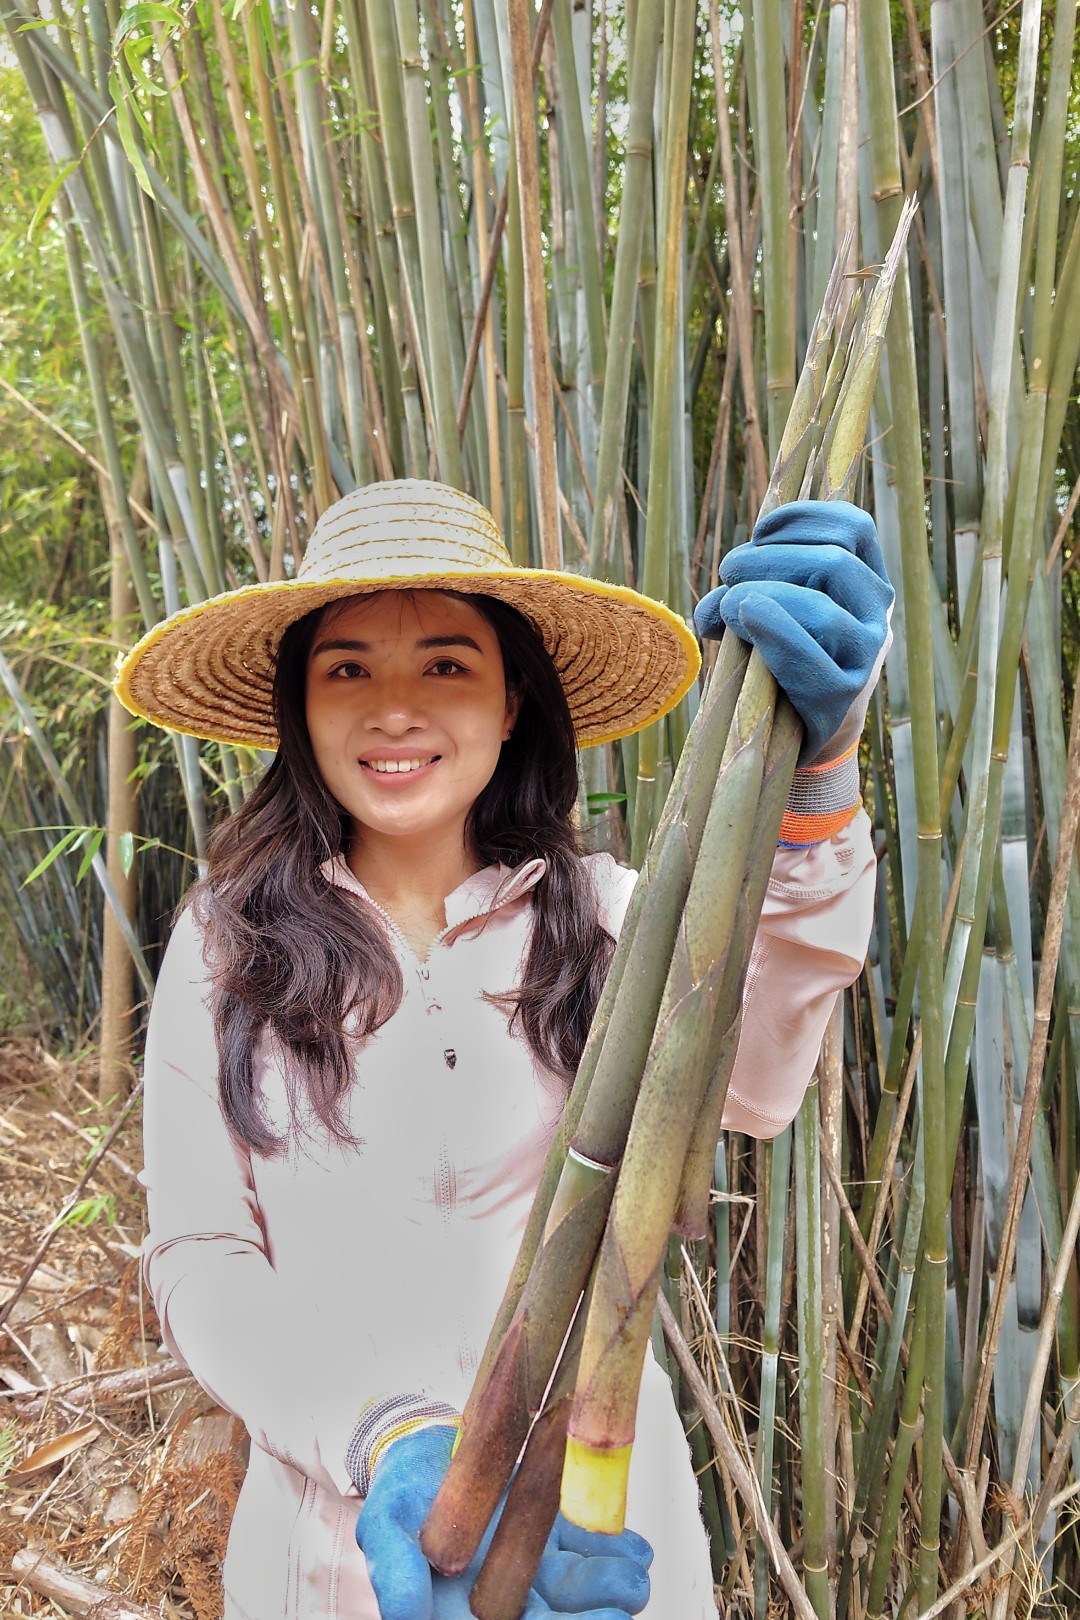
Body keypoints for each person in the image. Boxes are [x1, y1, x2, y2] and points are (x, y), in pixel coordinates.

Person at [117, 479, 892, 1620]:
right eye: (347, 669)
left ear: (515, 698)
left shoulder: (610, 913)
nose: (394, 711)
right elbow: (199, 1255)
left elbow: (760, 1076)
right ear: (299, 706)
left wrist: (814, 779)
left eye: (445, 664)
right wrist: (388, 1436)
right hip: (327, 1550)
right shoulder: (224, 947)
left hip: (599, 1533)